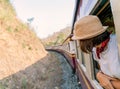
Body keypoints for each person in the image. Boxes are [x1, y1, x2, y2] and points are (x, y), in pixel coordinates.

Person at [72, 15, 120, 89]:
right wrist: (99, 75)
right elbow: (103, 71)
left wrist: (110, 83)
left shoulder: (117, 44)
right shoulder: (96, 50)